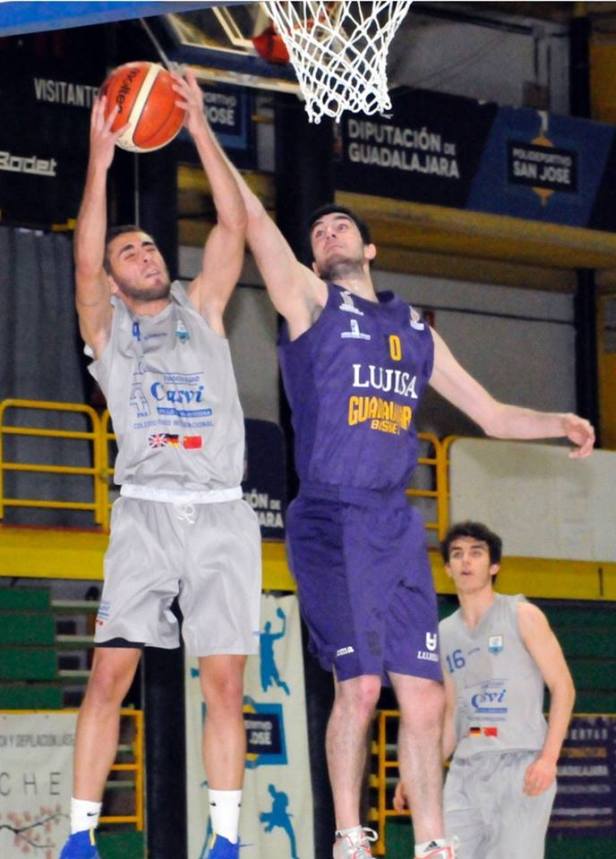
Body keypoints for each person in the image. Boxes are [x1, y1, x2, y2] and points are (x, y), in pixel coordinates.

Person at [227, 169, 593, 859]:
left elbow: (487, 412)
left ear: (370, 249)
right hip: (334, 516)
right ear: (313, 260)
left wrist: (558, 421)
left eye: (340, 227)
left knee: (424, 701)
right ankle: (348, 836)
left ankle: (431, 843)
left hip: (394, 522)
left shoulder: (413, 329)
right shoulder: (311, 302)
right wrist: (204, 130)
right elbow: (251, 218)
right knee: (360, 685)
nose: (327, 233)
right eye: (317, 232)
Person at [59, 71, 261, 859]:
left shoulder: (202, 308)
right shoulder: (105, 328)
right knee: (110, 676)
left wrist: (203, 129)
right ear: (112, 280)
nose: (140, 253)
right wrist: (101, 164)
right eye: (126, 250)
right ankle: (80, 840)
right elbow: (82, 262)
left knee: (223, 684)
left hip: (219, 511)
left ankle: (227, 841)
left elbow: (233, 224)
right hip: (144, 509)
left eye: (145, 244)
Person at [395, 521, 575, 859]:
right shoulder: (444, 634)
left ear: (494, 566)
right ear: (447, 568)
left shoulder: (522, 615)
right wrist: (422, 772)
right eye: (458, 555)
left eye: (476, 554)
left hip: (520, 765)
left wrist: (548, 759)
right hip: (465, 772)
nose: (466, 561)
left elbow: (563, 687)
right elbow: (451, 715)